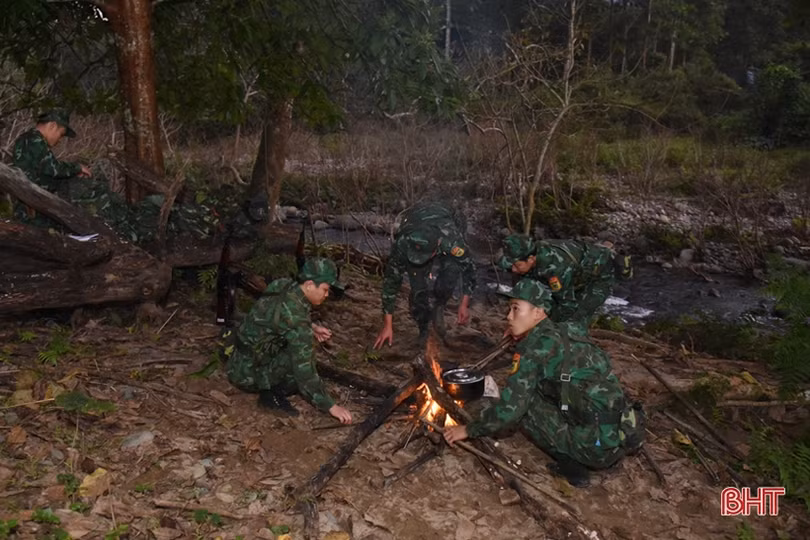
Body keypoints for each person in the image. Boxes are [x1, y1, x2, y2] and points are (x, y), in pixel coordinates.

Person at [443, 279, 644, 487]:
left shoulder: (534, 351)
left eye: (515, 309)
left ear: (538, 313)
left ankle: (572, 464)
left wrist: (469, 430)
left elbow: (510, 411)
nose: (508, 316)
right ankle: (579, 442)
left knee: (524, 407)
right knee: (539, 390)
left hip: (594, 449)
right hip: (620, 436)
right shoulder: (568, 331)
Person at [226, 257, 352, 423]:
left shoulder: (283, 284)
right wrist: (331, 406)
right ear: (308, 285)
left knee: (290, 347)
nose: (327, 294)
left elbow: (276, 315)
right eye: (325, 289)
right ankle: (270, 396)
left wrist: (312, 327)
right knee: (298, 369)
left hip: (237, 360)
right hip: (248, 375)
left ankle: (266, 381)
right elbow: (305, 372)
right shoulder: (297, 324)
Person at [374, 202, 476, 348]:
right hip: (414, 220)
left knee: (451, 273)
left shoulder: (451, 240)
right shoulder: (403, 243)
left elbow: (469, 268)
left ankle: (439, 305)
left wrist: (464, 304)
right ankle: (423, 329)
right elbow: (390, 283)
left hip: (447, 218)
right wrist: (387, 326)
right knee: (418, 290)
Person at [498, 234, 628, 326]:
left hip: (601, 274)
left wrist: (541, 324)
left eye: (517, 265)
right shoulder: (528, 255)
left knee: (576, 317)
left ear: (531, 259)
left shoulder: (555, 268)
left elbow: (566, 304)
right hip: (577, 268)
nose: (513, 269)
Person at [13, 109, 91, 194]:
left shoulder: (29, 138)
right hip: (33, 197)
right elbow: (52, 168)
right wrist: (77, 168)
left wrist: (73, 173)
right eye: (61, 134)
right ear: (52, 126)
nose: (60, 140)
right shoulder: (34, 139)